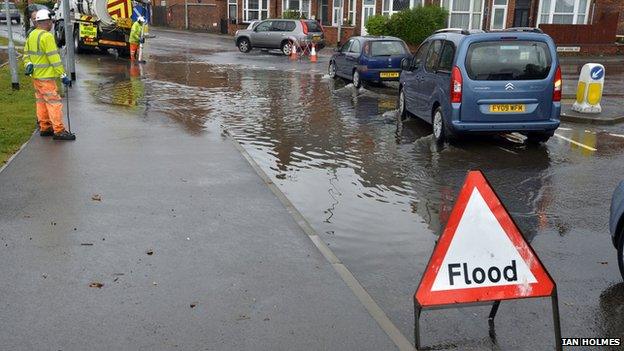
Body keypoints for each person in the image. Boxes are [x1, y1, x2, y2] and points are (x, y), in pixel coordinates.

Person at [23, 9, 75, 140]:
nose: (52, 23)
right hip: (46, 78)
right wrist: (63, 75)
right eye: (51, 21)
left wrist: (28, 64)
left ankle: (45, 127)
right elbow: (54, 59)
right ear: (46, 22)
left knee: (41, 101)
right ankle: (59, 130)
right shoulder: (47, 37)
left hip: (36, 77)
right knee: (54, 102)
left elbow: (26, 55)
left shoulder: (32, 35)